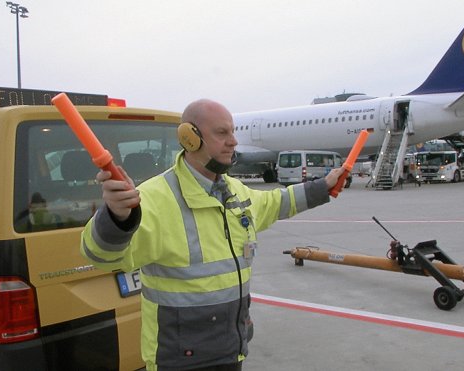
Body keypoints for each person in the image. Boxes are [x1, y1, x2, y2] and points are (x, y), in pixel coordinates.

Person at [81, 99, 346, 371]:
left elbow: (277, 203)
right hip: (180, 361)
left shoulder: (234, 191)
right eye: (222, 133)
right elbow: (101, 256)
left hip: (231, 352)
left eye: (232, 132)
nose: (233, 141)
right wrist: (116, 217)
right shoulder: (153, 200)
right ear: (189, 138)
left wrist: (322, 187)